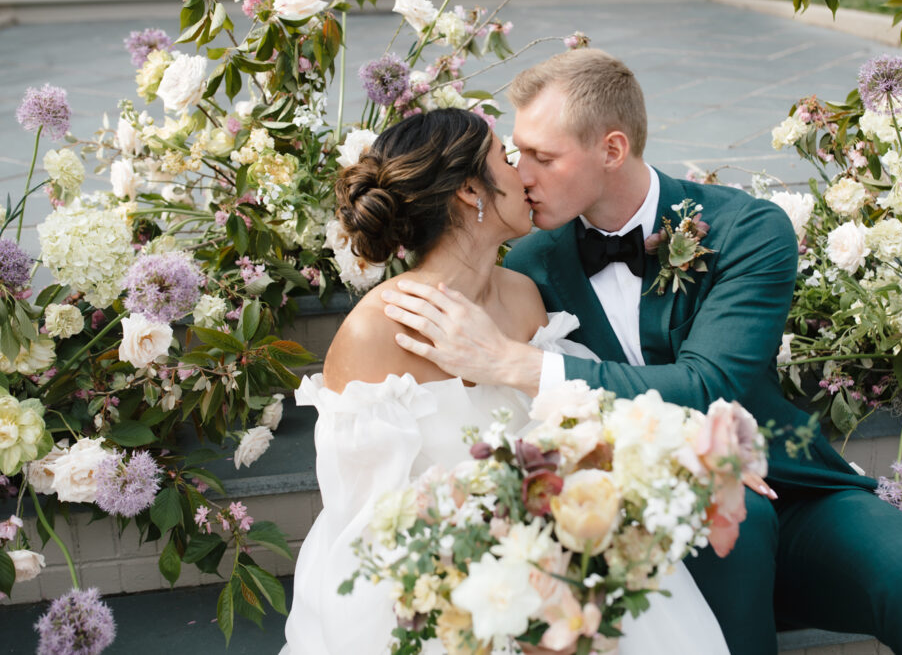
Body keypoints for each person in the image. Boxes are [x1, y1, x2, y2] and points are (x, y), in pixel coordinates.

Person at [380, 49, 902, 654]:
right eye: (517, 154)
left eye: (543, 156)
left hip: (794, 493)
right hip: (660, 509)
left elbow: (710, 387)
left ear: (612, 149)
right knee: (725, 533)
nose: (521, 174)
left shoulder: (747, 229)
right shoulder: (534, 262)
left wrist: (513, 363)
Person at [280, 108, 732, 655]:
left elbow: (567, 431)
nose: (523, 173)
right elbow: (368, 525)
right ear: (472, 190)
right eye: (506, 157)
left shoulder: (523, 294)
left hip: (559, 555)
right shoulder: (374, 334)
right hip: (434, 589)